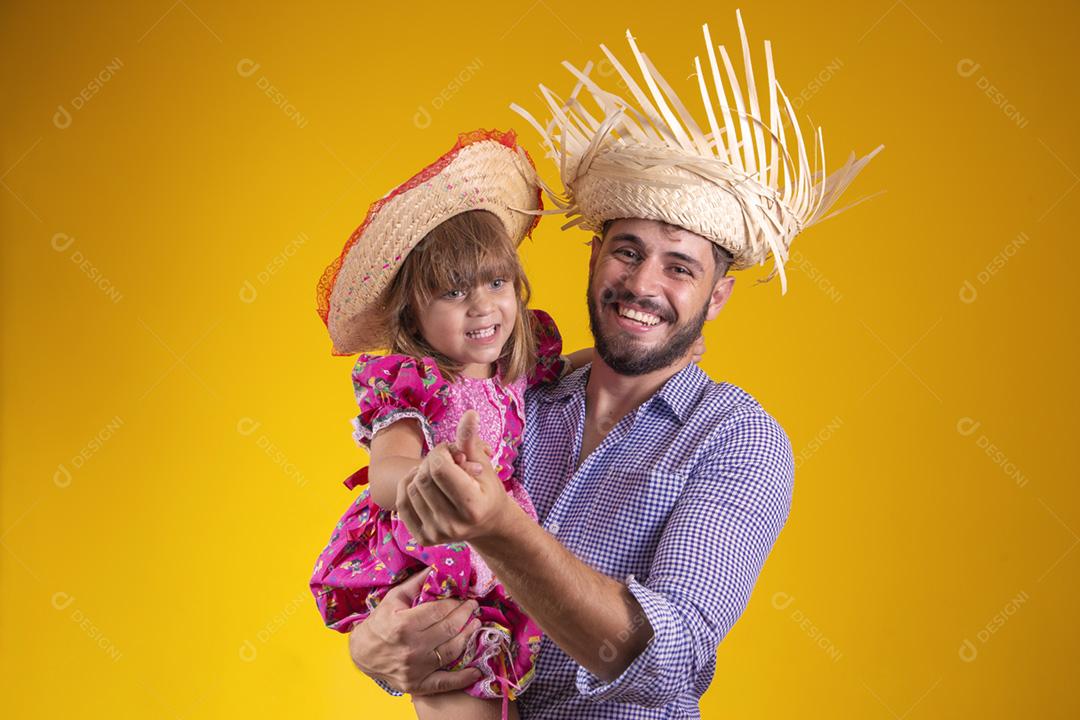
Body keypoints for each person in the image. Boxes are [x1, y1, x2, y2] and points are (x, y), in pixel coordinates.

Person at [346, 12, 882, 719]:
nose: (642, 286)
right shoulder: (510, 392)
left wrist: (503, 529)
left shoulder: (737, 439)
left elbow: (673, 661)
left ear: (717, 296)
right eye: (627, 251)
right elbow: (412, 562)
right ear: (594, 256)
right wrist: (375, 648)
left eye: (680, 267)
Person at [308, 128, 594, 720]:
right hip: (433, 549)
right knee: (456, 684)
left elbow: (565, 368)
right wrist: (429, 476)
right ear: (413, 308)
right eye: (454, 291)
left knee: (498, 692)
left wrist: (612, 358)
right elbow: (386, 469)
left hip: (493, 547)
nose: (483, 305)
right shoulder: (414, 382)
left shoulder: (511, 367)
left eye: (496, 283)